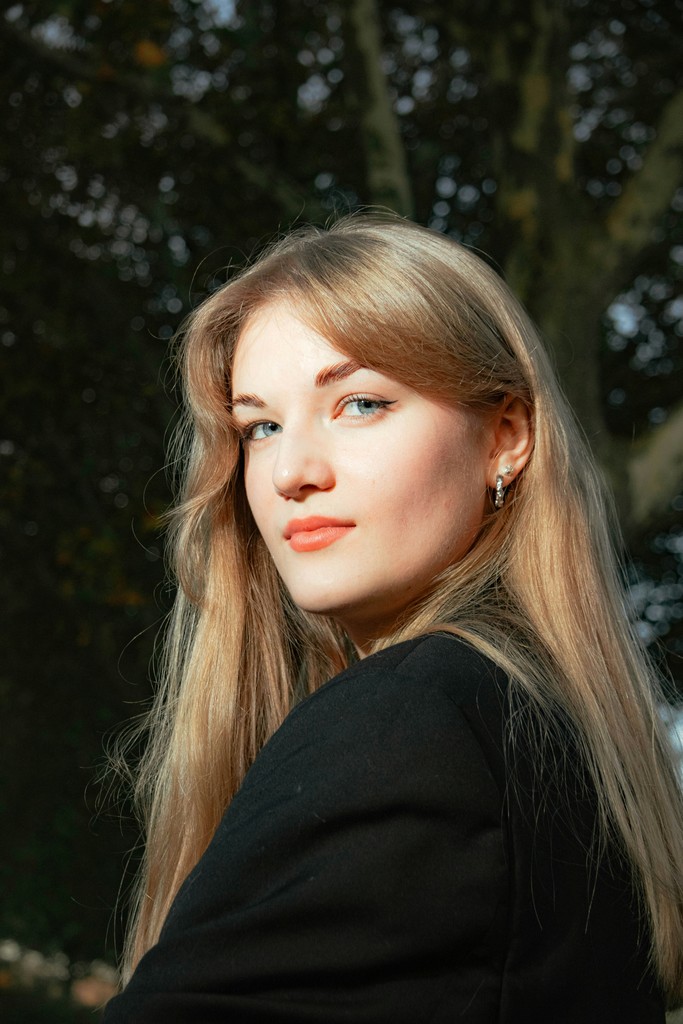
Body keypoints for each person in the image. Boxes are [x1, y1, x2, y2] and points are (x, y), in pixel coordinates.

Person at [103, 213, 683, 1022]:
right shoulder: (551, 733)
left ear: (505, 436)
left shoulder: (410, 717)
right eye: (260, 426)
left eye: (361, 403)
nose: (291, 472)